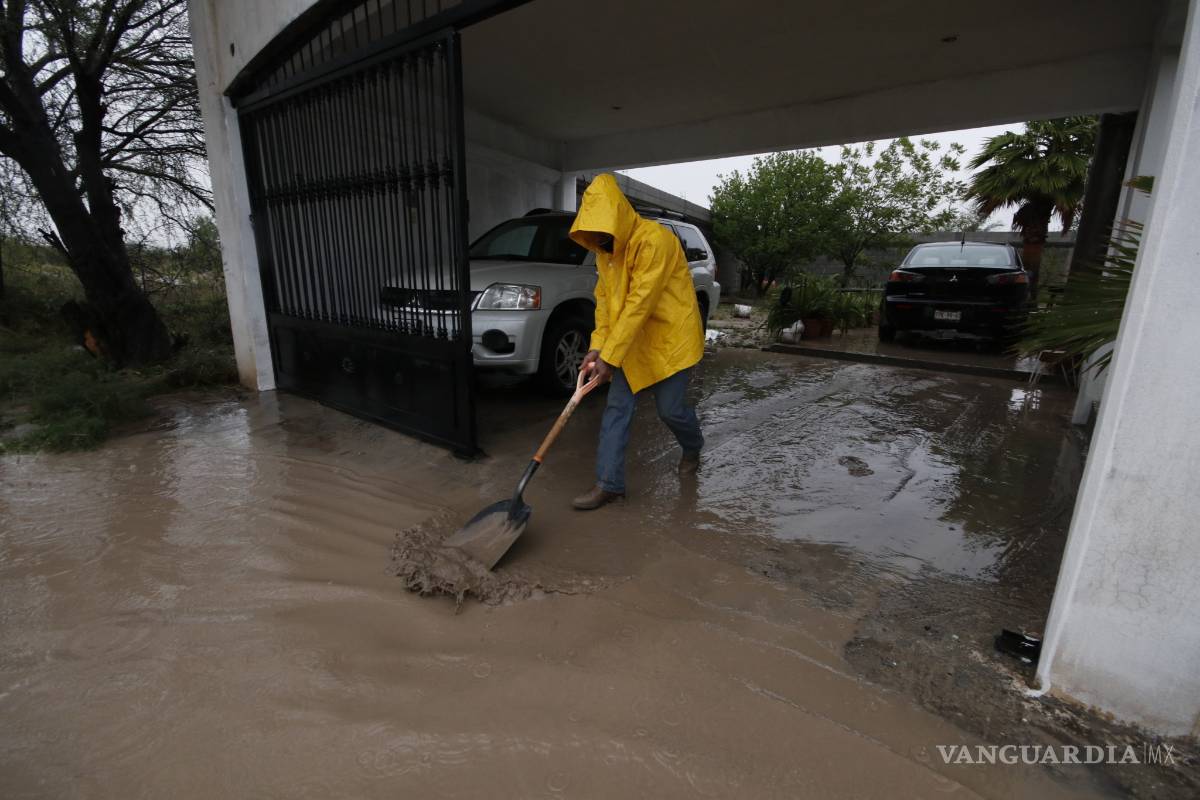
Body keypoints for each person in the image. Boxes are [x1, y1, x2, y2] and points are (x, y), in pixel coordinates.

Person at [567, 174, 705, 511]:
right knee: (617, 409)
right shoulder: (605, 253)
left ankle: (693, 446)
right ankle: (609, 484)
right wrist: (599, 347)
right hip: (628, 343)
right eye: (594, 234)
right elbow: (605, 303)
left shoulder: (654, 240)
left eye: (603, 231)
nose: (600, 240)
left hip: (669, 340)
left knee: (670, 411)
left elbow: (640, 302)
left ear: (619, 217)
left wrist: (610, 357)